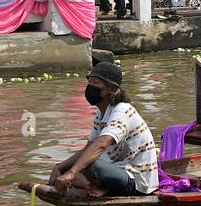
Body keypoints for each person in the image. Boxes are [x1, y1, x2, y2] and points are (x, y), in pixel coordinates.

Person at [49, 62, 157, 197]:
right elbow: (88, 148)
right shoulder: (101, 113)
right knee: (79, 163)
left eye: (96, 83)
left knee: (87, 164)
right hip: (118, 169)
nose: (90, 87)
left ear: (112, 89)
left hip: (137, 181)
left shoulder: (122, 110)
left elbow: (102, 143)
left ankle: (100, 187)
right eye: (90, 82)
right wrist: (59, 167)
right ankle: (92, 187)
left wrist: (71, 173)